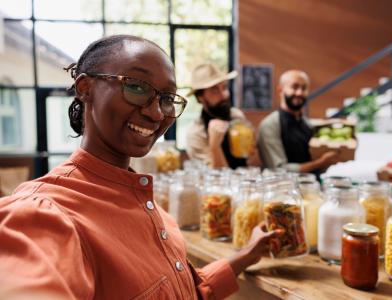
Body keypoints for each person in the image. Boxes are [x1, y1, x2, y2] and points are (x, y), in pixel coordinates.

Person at [0, 35, 278, 300]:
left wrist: (248, 255)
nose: (156, 113)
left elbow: (182, 291)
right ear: (86, 88)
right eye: (136, 87)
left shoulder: (151, 207)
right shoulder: (45, 214)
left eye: (167, 99)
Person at [258, 70, 339, 174]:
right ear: (280, 90)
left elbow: (317, 163)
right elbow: (279, 169)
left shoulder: (308, 125)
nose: (299, 93)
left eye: (304, 88)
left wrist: (329, 160)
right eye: (294, 87)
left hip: (312, 187)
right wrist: (320, 163)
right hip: (284, 188)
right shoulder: (270, 125)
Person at [185, 63, 257, 169]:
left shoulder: (237, 116)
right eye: (214, 90)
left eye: (224, 87)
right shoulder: (196, 133)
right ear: (200, 98)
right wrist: (215, 146)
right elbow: (214, 178)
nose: (224, 95)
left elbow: (250, 160)